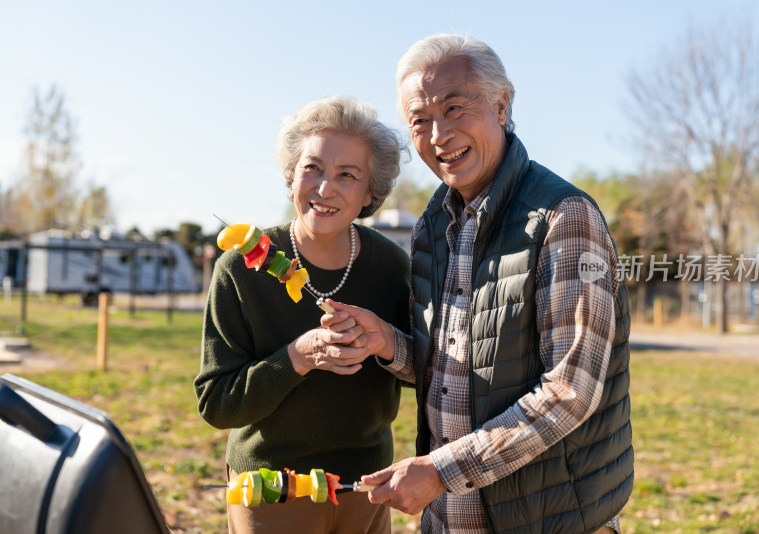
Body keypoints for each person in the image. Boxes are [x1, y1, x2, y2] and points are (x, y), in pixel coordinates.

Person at [323, 34, 633, 533]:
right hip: (451, 519)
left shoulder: (562, 218)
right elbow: (452, 368)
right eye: (420, 121)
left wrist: (442, 470)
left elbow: (572, 390)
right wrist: (389, 344)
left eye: (454, 108)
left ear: (501, 105)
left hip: (548, 518)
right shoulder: (432, 226)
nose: (439, 134)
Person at [194, 96, 410, 534]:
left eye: (347, 175)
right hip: (271, 495)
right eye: (312, 168)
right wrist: (296, 357)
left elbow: (429, 373)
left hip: (363, 491)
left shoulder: (392, 267)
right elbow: (216, 404)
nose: (325, 189)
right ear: (291, 173)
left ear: (371, 191)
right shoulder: (241, 269)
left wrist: (385, 342)